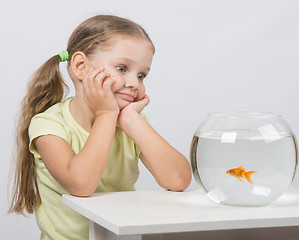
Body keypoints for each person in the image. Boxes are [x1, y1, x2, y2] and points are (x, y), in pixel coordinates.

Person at [8, 14, 192, 239]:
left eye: (142, 75)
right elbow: (81, 185)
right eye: (122, 68)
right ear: (81, 66)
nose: (134, 83)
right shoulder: (49, 125)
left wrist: (131, 121)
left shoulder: (131, 124)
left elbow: (178, 180)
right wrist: (106, 114)